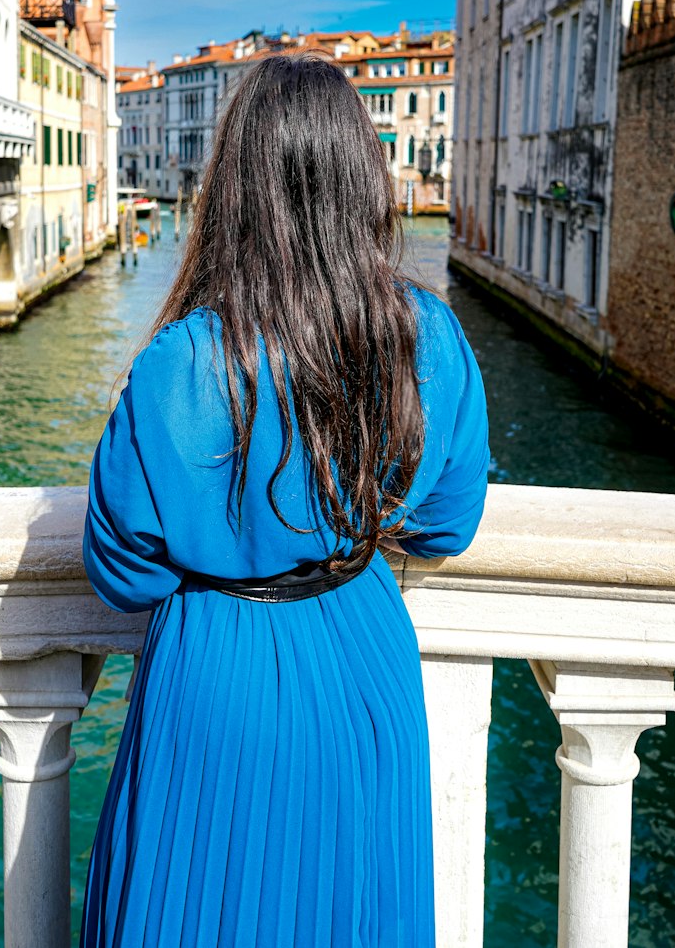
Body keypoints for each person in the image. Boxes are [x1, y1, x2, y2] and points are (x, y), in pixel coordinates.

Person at [79, 51, 490, 947]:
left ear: (232, 188)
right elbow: (449, 522)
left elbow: (120, 571)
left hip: (217, 678)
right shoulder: (431, 338)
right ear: (363, 178)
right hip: (363, 656)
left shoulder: (177, 362)